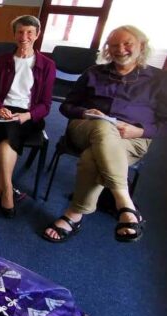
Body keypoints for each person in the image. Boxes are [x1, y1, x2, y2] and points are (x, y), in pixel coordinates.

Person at [43, 25, 166, 243]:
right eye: (114, 44)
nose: (120, 49)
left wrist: (140, 130)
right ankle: (125, 203)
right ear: (107, 48)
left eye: (127, 43)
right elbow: (66, 106)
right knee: (103, 127)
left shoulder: (158, 79)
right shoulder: (93, 72)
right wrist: (84, 112)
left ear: (142, 46)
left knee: (92, 157)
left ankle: (74, 214)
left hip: (132, 138)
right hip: (85, 128)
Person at [0, 15, 55, 218]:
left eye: (29, 32)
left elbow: (46, 105)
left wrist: (28, 115)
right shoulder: (2, 61)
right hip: (1, 111)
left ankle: (0, 188)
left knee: (4, 140)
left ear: (37, 35)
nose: (24, 36)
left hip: (27, 115)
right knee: (5, 134)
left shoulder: (47, 65)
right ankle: (8, 189)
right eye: (20, 32)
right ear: (14, 34)